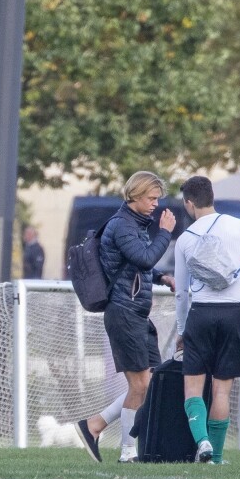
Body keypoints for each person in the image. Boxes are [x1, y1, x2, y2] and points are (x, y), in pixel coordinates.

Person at [71, 171, 176, 463]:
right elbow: (143, 258)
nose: (156, 204)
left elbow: (136, 266)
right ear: (136, 196)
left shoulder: (134, 225)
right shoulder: (123, 225)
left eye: (157, 199)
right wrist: (165, 232)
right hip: (123, 313)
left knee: (149, 381)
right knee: (140, 385)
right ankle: (127, 452)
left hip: (136, 313)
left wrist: (162, 278)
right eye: (152, 198)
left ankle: (93, 425)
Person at [174, 176, 240, 464]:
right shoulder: (238, 225)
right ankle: (216, 458)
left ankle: (203, 441)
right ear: (212, 197)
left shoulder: (185, 239)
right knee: (222, 390)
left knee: (193, 388)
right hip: (234, 313)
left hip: (201, 314)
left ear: (189, 203)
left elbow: (182, 293)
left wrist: (182, 330)